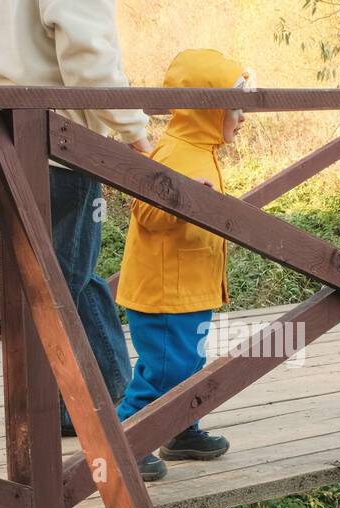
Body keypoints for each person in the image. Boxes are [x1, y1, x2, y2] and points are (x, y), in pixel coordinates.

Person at [0, 0, 150, 436]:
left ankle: (63, 407)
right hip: (56, 141)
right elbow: (87, 53)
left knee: (51, 278)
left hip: (8, 134)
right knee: (65, 282)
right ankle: (117, 412)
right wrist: (134, 130)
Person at [115, 49, 249, 482]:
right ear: (208, 110)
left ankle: (181, 430)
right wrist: (184, 195)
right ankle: (122, 441)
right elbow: (147, 213)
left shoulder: (200, 148)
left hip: (189, 290)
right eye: (236, 107)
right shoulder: (173, 153)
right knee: (161, 373)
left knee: (188, 366)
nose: (243, 118)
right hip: (164, 294)